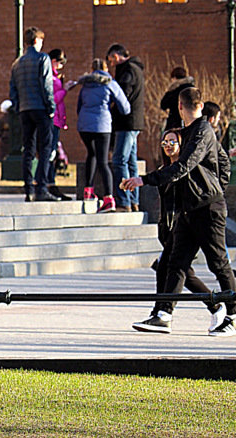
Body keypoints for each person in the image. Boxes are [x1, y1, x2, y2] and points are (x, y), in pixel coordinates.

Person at [124, 87, 235, 336]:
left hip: (208, 208)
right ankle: (164, 314)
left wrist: (146, 180)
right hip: (189, 209)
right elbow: (221, 161)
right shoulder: (187, 132)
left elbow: (186, 166)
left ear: (179, 106)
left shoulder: (203, 131)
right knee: (176, 262)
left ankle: (232, 314)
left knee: (218, 263)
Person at [141, 129, 223, 331]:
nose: (168, 145)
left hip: (184, 227)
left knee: (175, 270)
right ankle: (163, 312)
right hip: (169, 228)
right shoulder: (164, 170)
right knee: (177, 270)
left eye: (173, 142)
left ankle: (164, 313)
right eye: (165, 142)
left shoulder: (186, 172)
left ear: (183, 145)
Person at [74, 58, 130, 212]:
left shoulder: (85, 85)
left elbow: (79, 106)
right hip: (102, 125)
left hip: (84, 125)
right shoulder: (110, 83)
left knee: (91, 154)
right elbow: (125, 108)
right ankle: (108, 198)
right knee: (103, 161)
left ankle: (88, 191)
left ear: (91, 69)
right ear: (106, 69)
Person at [9, 27, 57, 202]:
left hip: (24, 109)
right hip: (41, 108)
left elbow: (12, 89)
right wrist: (51, 107)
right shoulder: (42, 58)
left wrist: (17, 106)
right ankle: (41, 187)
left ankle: (28, 187)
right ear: (37, 41)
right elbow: (46, 85)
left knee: (28, 149)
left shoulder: (17, 63)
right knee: (45, 147)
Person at [106, 43, 145, 212]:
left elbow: (123, 94)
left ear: (116, 56)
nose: (111, 64)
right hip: (134, 122)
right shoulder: (136, 68)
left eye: (111, 60)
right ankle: (133, 200)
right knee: (130, 162)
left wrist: (112, 107)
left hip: (126, 122)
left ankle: (124, 201)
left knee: (119, 160)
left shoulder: (127, 70)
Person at [47, 48, 72, 200]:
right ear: (55, 61)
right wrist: (65, 89)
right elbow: (53, 98)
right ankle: (48, 183)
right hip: (52, 119)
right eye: (61, 63)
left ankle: (50, 182)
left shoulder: (54, 76)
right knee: (50, 152)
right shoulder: (49, 76)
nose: (61, 67)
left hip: (57, 119)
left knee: (53, 152)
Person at [159, 67, 195, 132]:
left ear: (174, 78)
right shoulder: (192, 89)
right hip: (190, 120)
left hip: (175, 122)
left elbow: (163, 104)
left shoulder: (174, 90)